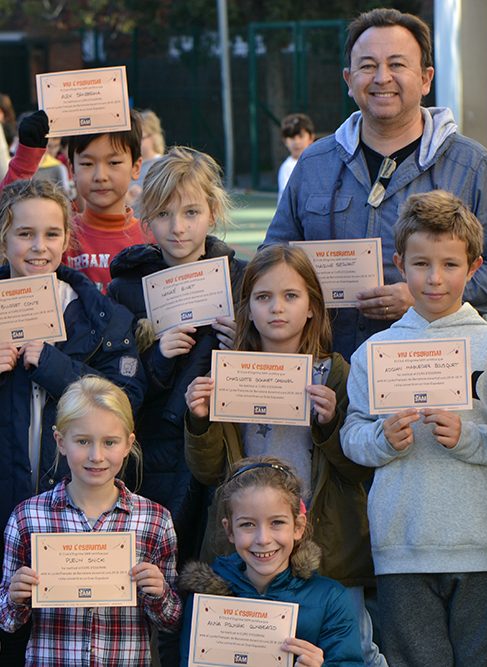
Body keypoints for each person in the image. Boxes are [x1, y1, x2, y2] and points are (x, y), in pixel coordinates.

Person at [263, 8, 487, 361]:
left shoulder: (471, 165)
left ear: (425, 78)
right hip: (328, 368)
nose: (382, 77)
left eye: (397, 64)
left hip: (432, 368)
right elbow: (273, 256)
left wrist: (425, 295)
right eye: (367, 66)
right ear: (349, 79)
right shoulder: (314, 163)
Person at [341, 190, 487, 666]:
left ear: (474, 266)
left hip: (483, 547)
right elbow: (352, 435)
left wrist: (468, 438)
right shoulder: (374, 352)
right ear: (400, 264)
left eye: (450, 264)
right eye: (421, 264)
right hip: (402, 548)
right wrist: (382, 441)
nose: (435, 278)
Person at [184, 244, 384, 666]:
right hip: (253, 547)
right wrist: (200, 421)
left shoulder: (337, 372)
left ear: (312, 307)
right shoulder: (228, 372)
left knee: (352, 650)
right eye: (263, 297)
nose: (277, 308)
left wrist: (330, 424)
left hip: (328, 544)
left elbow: (358, 468)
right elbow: (209, 472)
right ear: (247, 308)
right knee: (252, 652)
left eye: (291, 296)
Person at [0, 179, 145, 664]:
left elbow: (126, 399)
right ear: (4, 238)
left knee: (65, 638)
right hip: (5, 503)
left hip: (72, 513)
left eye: (51, 234)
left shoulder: (104, 317)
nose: (38, 247)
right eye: (24, 234)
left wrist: (53, 365)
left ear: (67, 238)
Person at [0, 375, 181, 665]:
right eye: (83, 441)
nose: (96, 456)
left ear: (128, 444)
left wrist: (159, 593)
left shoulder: (155, 520)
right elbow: (7, 622)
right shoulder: (27, 517)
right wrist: (15, 597)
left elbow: (171, 621)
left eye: (110, 442)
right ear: (60, 441)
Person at [108, 145, 246, 525]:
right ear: (147, 218)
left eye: (191, 213)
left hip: (224, 441)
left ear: (212, 213)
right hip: (154, 449)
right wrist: (157, 357)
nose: (178, 227)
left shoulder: (242, 280)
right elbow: (114, 381)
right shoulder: (125, 289)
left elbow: (271, 371)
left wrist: (245, 345)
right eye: (164, 214)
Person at [178, 456, 363, 667]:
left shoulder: (331, 599)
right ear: (229, 530)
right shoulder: (205, 599)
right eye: (247, 524)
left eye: (277, 522)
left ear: (298, 527)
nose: (263, 539)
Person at [63, 109, 148, 293]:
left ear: (135, 167)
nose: (100, 176)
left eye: (114, 163)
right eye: (87, 164)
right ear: (72, 170)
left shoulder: (153, 239)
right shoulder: (59, 238)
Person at [128, 109, 166, 216]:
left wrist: (142, 197)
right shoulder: (128, 165)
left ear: (153, 137)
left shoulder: (163, 165)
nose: (135, 143)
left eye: (140, 138)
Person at [277, 113, 314, 202]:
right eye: (292, 137)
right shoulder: (287, 167)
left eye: (301, 136)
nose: (297, 142)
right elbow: (290, 199)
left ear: (311, 138)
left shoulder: (318, 163)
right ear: (285, 141)